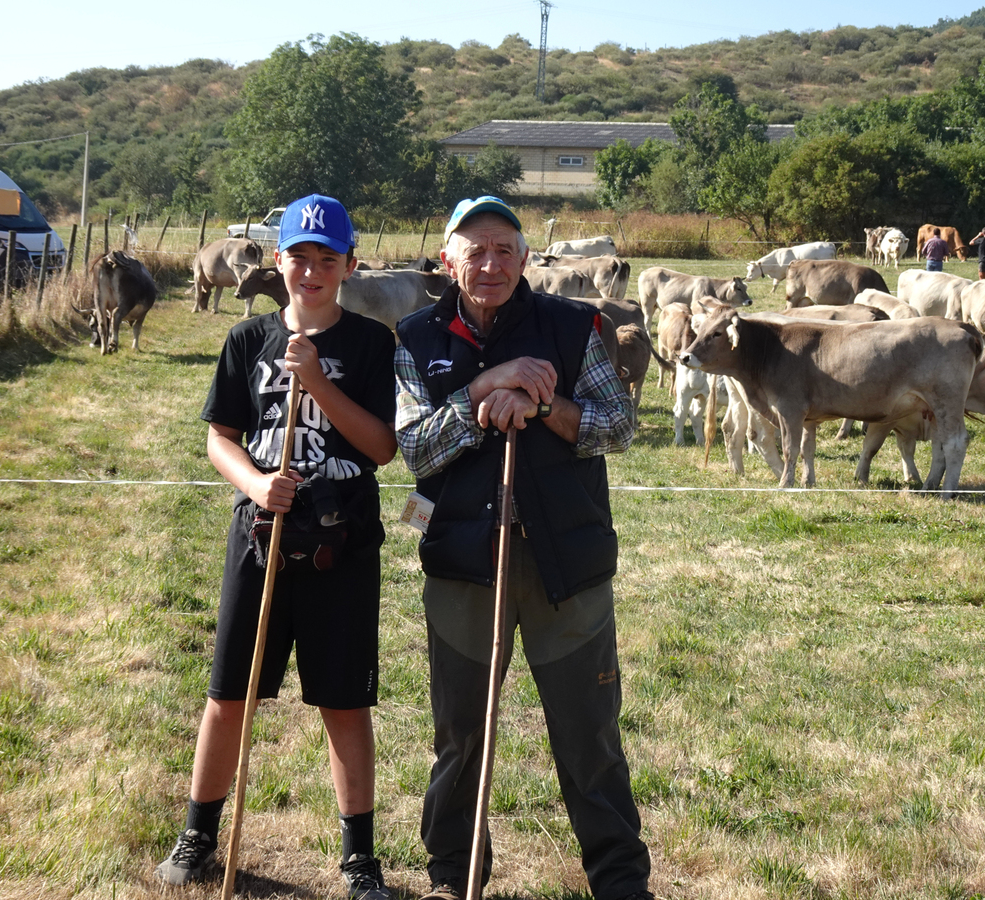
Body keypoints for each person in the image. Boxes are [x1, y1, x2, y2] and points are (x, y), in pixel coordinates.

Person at [394, 196, 653, 900]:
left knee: (589, 737)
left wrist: (543, 408)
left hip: (565, 562)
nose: (490, 264)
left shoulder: (573, 327)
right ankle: (455, 876)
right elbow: (411, 445)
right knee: (460, 738)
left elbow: (618, 428)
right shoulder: (415, 338)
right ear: (448, 260)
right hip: (462, 565)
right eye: (474, 250)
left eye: (505, 249)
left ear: (526, 259)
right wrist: (482, 392)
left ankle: (621, 883)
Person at [154, 193, 398, 900]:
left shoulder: (370, 344)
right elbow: (219, 438)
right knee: (230, 693)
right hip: (261, 537)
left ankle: (359, 859)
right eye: (300, 257)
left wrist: (317, 380)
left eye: (328, 259)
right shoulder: (246, 339)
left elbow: (382, 446)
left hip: (342, 539)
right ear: (279, 261)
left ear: (349, 265)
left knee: (343, 700)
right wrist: (257, 486)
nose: (313, 270)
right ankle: (200, 834)